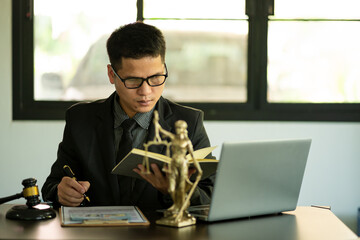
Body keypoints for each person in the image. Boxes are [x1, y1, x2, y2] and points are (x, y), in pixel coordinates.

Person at [41, 22, 214, 210]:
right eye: (133, 80)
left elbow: (210, 196)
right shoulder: (81, 120)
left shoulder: (188, 123)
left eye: (156, 78)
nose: (146, 91)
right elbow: (52, 185)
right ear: (111, 74)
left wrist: (175, 190)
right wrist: (61, 191)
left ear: (164, 68)